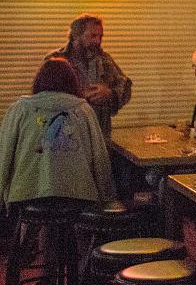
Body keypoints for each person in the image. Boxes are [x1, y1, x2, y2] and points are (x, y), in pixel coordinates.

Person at [0, 57, 117, 207]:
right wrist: (107, 197)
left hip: (25, 195)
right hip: (77, 195)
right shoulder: (84, 111)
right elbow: (99, 158)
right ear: (72, 82)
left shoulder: (20, 110)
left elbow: (4, 154)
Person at [46, 13, 131, 137]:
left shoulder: (104, 60)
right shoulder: (55, 60)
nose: (97, 41)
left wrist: (110, 94)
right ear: (76, 35)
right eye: (92, 36)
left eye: (100, 36)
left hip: (99, 135)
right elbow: (42, 98)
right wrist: (77, 96)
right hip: (65, 139)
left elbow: (125, 86)